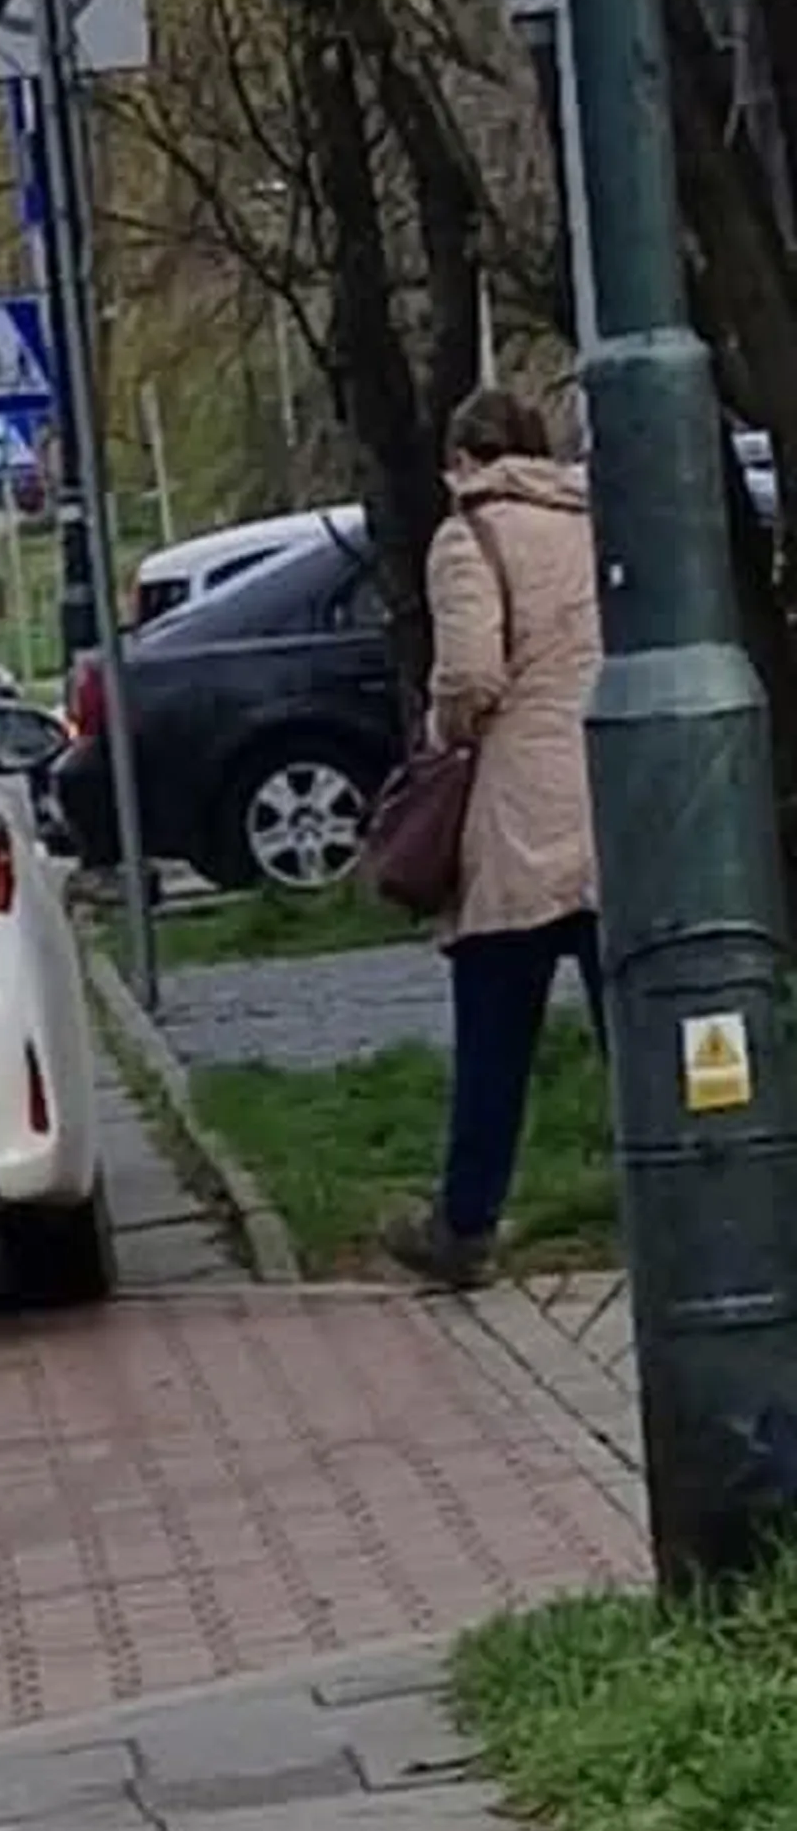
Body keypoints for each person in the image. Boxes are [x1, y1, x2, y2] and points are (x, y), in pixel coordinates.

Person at [382, 386, 606, 1291]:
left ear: (465, 459)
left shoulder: (468, 537)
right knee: (632, 1027)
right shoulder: (590, 520)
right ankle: (690, 1200)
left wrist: (442, 730)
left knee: (494, 1034)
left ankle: (466, 1226)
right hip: (609, 800)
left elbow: (471, 675)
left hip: (520, 814)